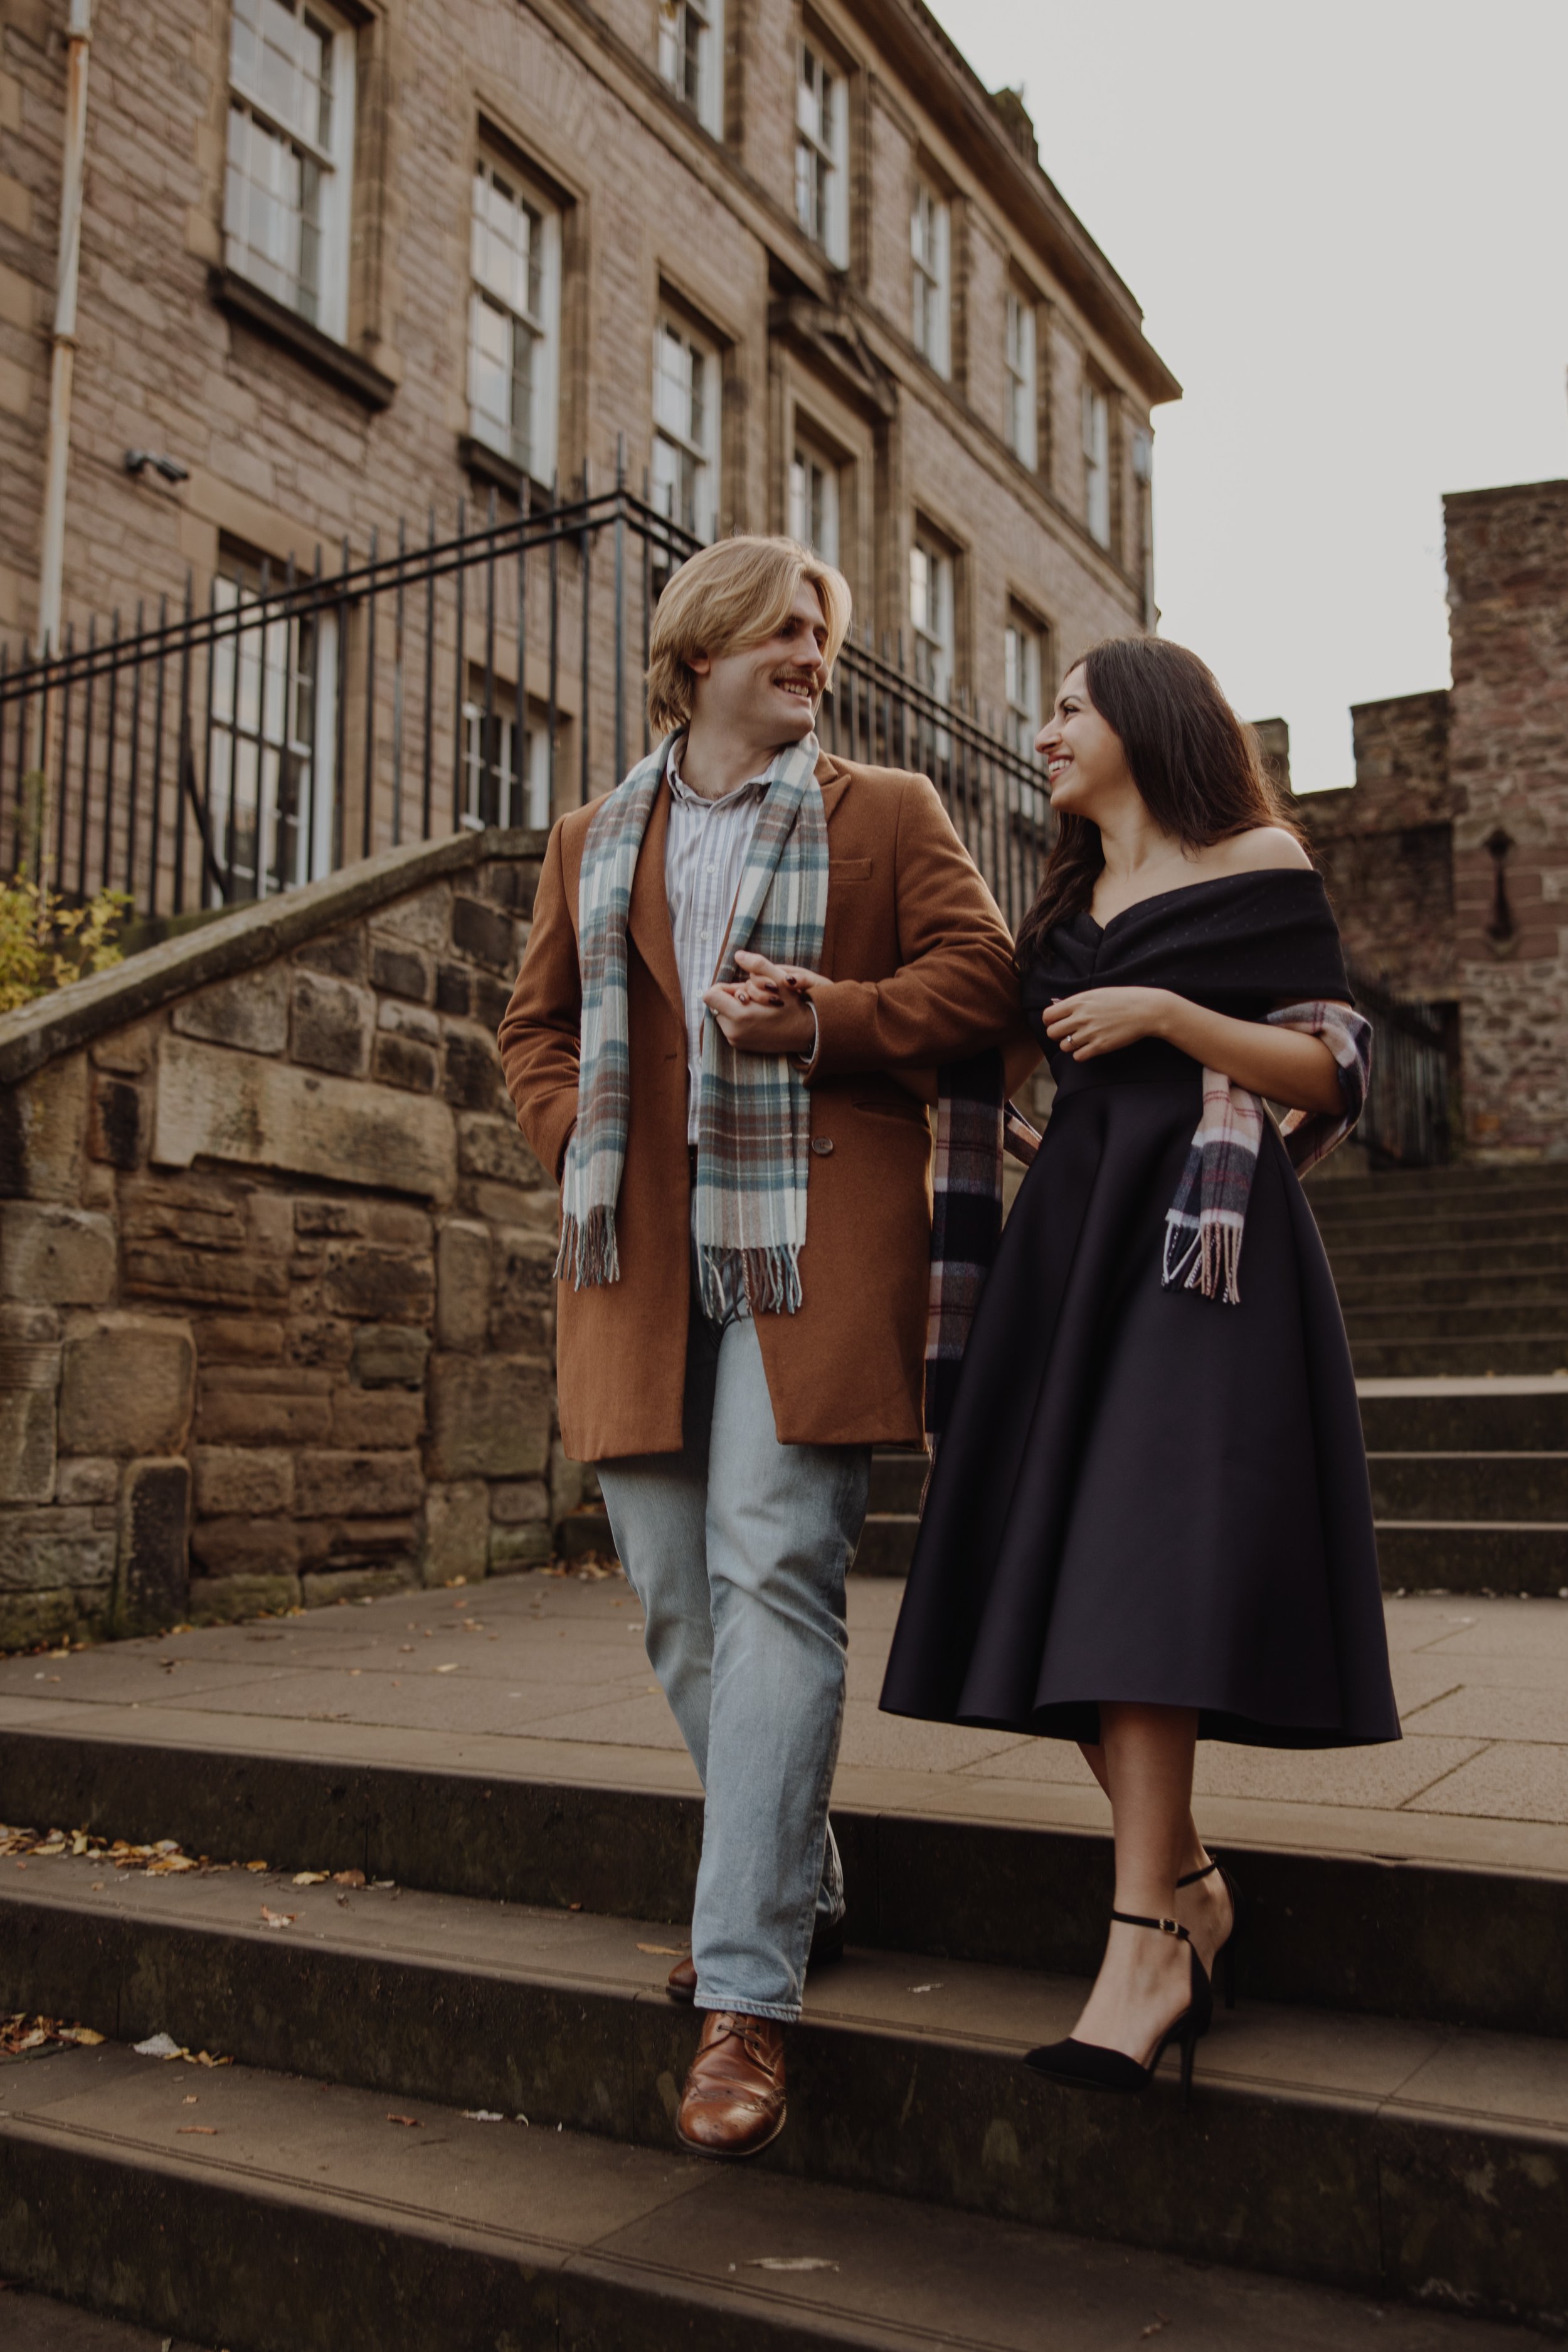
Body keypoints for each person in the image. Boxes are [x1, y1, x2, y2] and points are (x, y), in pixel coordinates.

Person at [497, 533, 1025, 2158]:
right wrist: (568, 1124)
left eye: (820, 628)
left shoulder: (886, 813)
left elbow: (984, 976)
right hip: (639, 1257)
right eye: (783, 626)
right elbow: (532, 1026)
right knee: (673, 1597)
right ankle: (797, 1874)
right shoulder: (594, 833)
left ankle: (747, 1991)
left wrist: (826, 1017)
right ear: (702, 645)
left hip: (809, 1243)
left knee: (770, 1568)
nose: (810, 647)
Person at [880, 635, 1399, 2106]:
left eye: (1064, 708)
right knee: (1061, 1576)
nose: (1041, 732)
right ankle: (1190, 1891)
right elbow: (971, 1053)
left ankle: (1141, 1953)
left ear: (1143, 718)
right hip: (1072, 1258)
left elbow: (1330, 1066)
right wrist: (818, 1005)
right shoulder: (1058, 909)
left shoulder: (1255, 862)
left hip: (1202, 1259)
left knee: (1133, 1571)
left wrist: (1168, 1019)